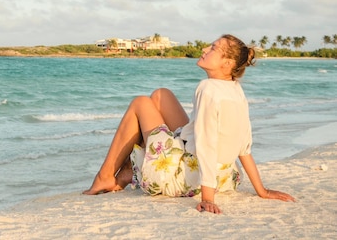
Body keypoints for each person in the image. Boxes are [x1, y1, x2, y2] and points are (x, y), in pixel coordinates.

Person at [83, 34, 295, 213]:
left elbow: (206, 143)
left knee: (140, 103)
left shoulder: (208, 88)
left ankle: (105, 176)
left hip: (187, 177)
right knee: (160, 95)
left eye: (213, 48)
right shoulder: (235, 89)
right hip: (225, 176)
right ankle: (127, 172)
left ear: (227, 63)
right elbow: (243, 145)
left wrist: (208, 198)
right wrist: (262, 190)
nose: (204, 48)